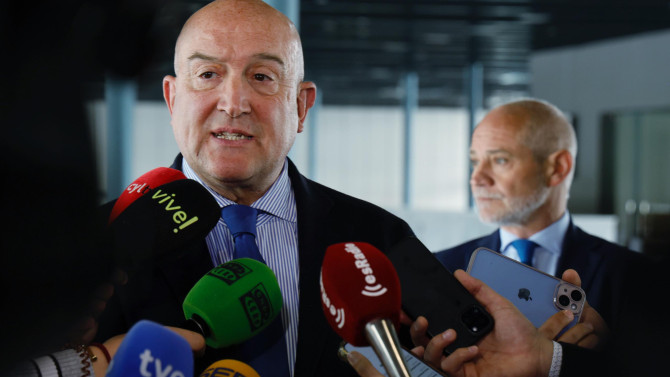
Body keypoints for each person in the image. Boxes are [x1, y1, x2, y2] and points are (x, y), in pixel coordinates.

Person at [94, 1, 415, 376]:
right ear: (172, 99)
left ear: (301, 106)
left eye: (262, 77)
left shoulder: (379, 240)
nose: (233, 104)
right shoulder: (92, 246)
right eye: (208, 73)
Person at [435, 98, 650, 329]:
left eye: (500, 160)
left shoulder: (634, 276)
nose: (476, 178)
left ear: (557, 168)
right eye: (475, 162)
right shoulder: (442, 268)